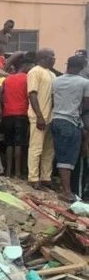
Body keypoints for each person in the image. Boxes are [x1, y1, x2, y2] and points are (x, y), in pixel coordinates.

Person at [50, 55, 89, 201]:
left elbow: (53, 99)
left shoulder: (56, 81)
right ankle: (66, 191)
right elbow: (86, 104)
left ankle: (65, 189)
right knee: (68, 158)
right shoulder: (84, 83)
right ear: (81, 67)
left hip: (57, 120)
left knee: (61, 154)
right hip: (71, 122)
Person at [27, 49, 58, 189]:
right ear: (43, 57)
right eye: (52, 56)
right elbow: (32, 95)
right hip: (38, 117)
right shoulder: (35, 71)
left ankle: (46, 178)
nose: (54, 59)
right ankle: (33, 178)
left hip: (50, 118)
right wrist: (39, 116)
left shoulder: (52, 74)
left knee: (48, 150)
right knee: (36, 148)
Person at [0, 53, 34, 178]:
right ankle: (18, 173)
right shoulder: (28, 79)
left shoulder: (7, 79)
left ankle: (8, 171)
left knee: (9, 144)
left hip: (7, 115)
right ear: (26, 66)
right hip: (21, 114)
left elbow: (1, 95)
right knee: (19, 143)